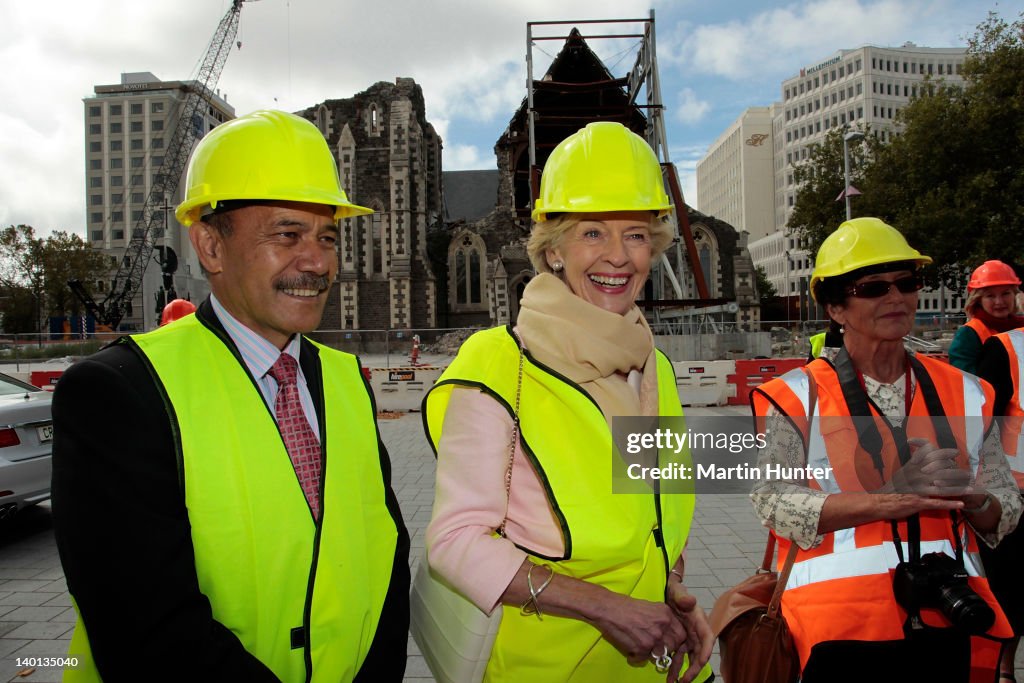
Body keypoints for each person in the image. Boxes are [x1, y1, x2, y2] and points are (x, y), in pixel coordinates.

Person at [52, 110, 410, 682]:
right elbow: (145, 628)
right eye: (287, 235)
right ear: (210, 248)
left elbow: (387, 555)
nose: (317, 261)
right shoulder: (120, 392)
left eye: (326, 237)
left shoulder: (346, 380)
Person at [422, 122, 713, 683]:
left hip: (659, 664)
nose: (617, 257)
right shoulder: (500, 362)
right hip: (548, 667)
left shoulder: (658, 368)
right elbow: (454, 544)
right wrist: (606, 608)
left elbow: (649, 516)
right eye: (592, 234)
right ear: (553, 250)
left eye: (634, 235)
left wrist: (675, 596)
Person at [750, 217, 1021, 682]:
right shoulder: (799, 395)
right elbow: (772, 500)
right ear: (836, 308)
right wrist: (892, 496)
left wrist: (976, 500)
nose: (896, 297)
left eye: (907, 283)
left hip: (947, 615)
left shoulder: (968, 391)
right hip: (838, 627)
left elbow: (1007, 505)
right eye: (873, 288)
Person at [976, 329, 1024, 682]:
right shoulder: (1007, 347)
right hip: (1017, 489)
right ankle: (1003, 665)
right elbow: (986, 419)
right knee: (1010, 588)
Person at [949, 260, 1023, 374]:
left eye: (1005, 293)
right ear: (978, 300)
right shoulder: (969, 335)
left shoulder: (1021, 326)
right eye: (990, 296)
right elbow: (966, 382)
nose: (999, 302)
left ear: (1014, 294)